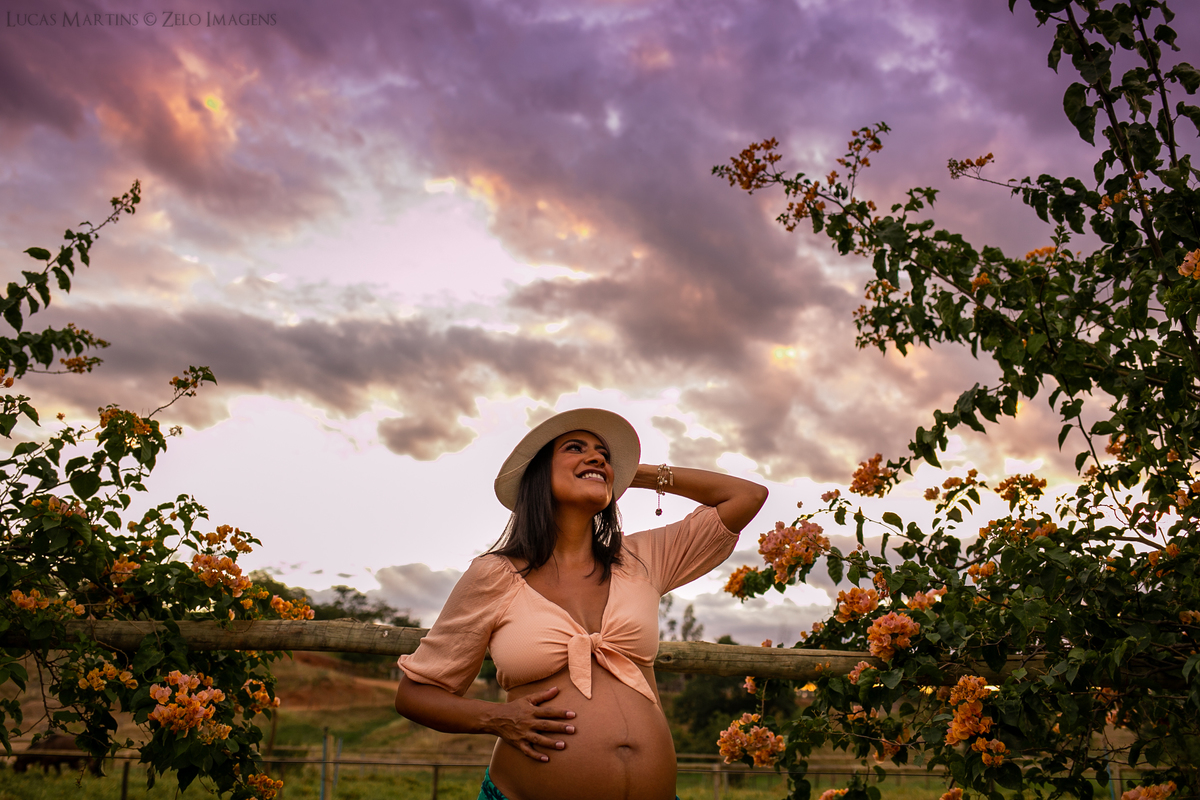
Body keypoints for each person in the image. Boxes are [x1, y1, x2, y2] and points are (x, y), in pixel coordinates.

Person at [394, 408, 768, 800]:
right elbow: (416, 695)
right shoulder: (494, 575)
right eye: (576, 448)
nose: (598, 458)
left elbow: (746, 496)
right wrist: (497, 718)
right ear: (538, 474)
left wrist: (628, 472)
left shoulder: (641, 559)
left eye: (604, 454)